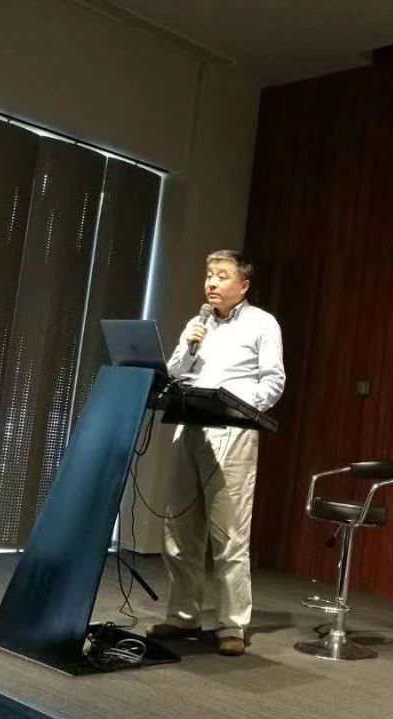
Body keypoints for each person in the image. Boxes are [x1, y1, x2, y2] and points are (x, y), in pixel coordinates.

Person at [149, 249, 284, 657]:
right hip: (190, 426)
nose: (211, 282)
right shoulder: (198, 323)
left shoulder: (262, 323)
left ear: (243, 285)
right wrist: (190, 347)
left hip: (232, 432)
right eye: (209, 274)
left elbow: (273, 381)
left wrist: (240, 409)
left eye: (222, 275)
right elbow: (174, 373)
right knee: (179, 529)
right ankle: (183, 615)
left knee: (228, 535)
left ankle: (232, 625)